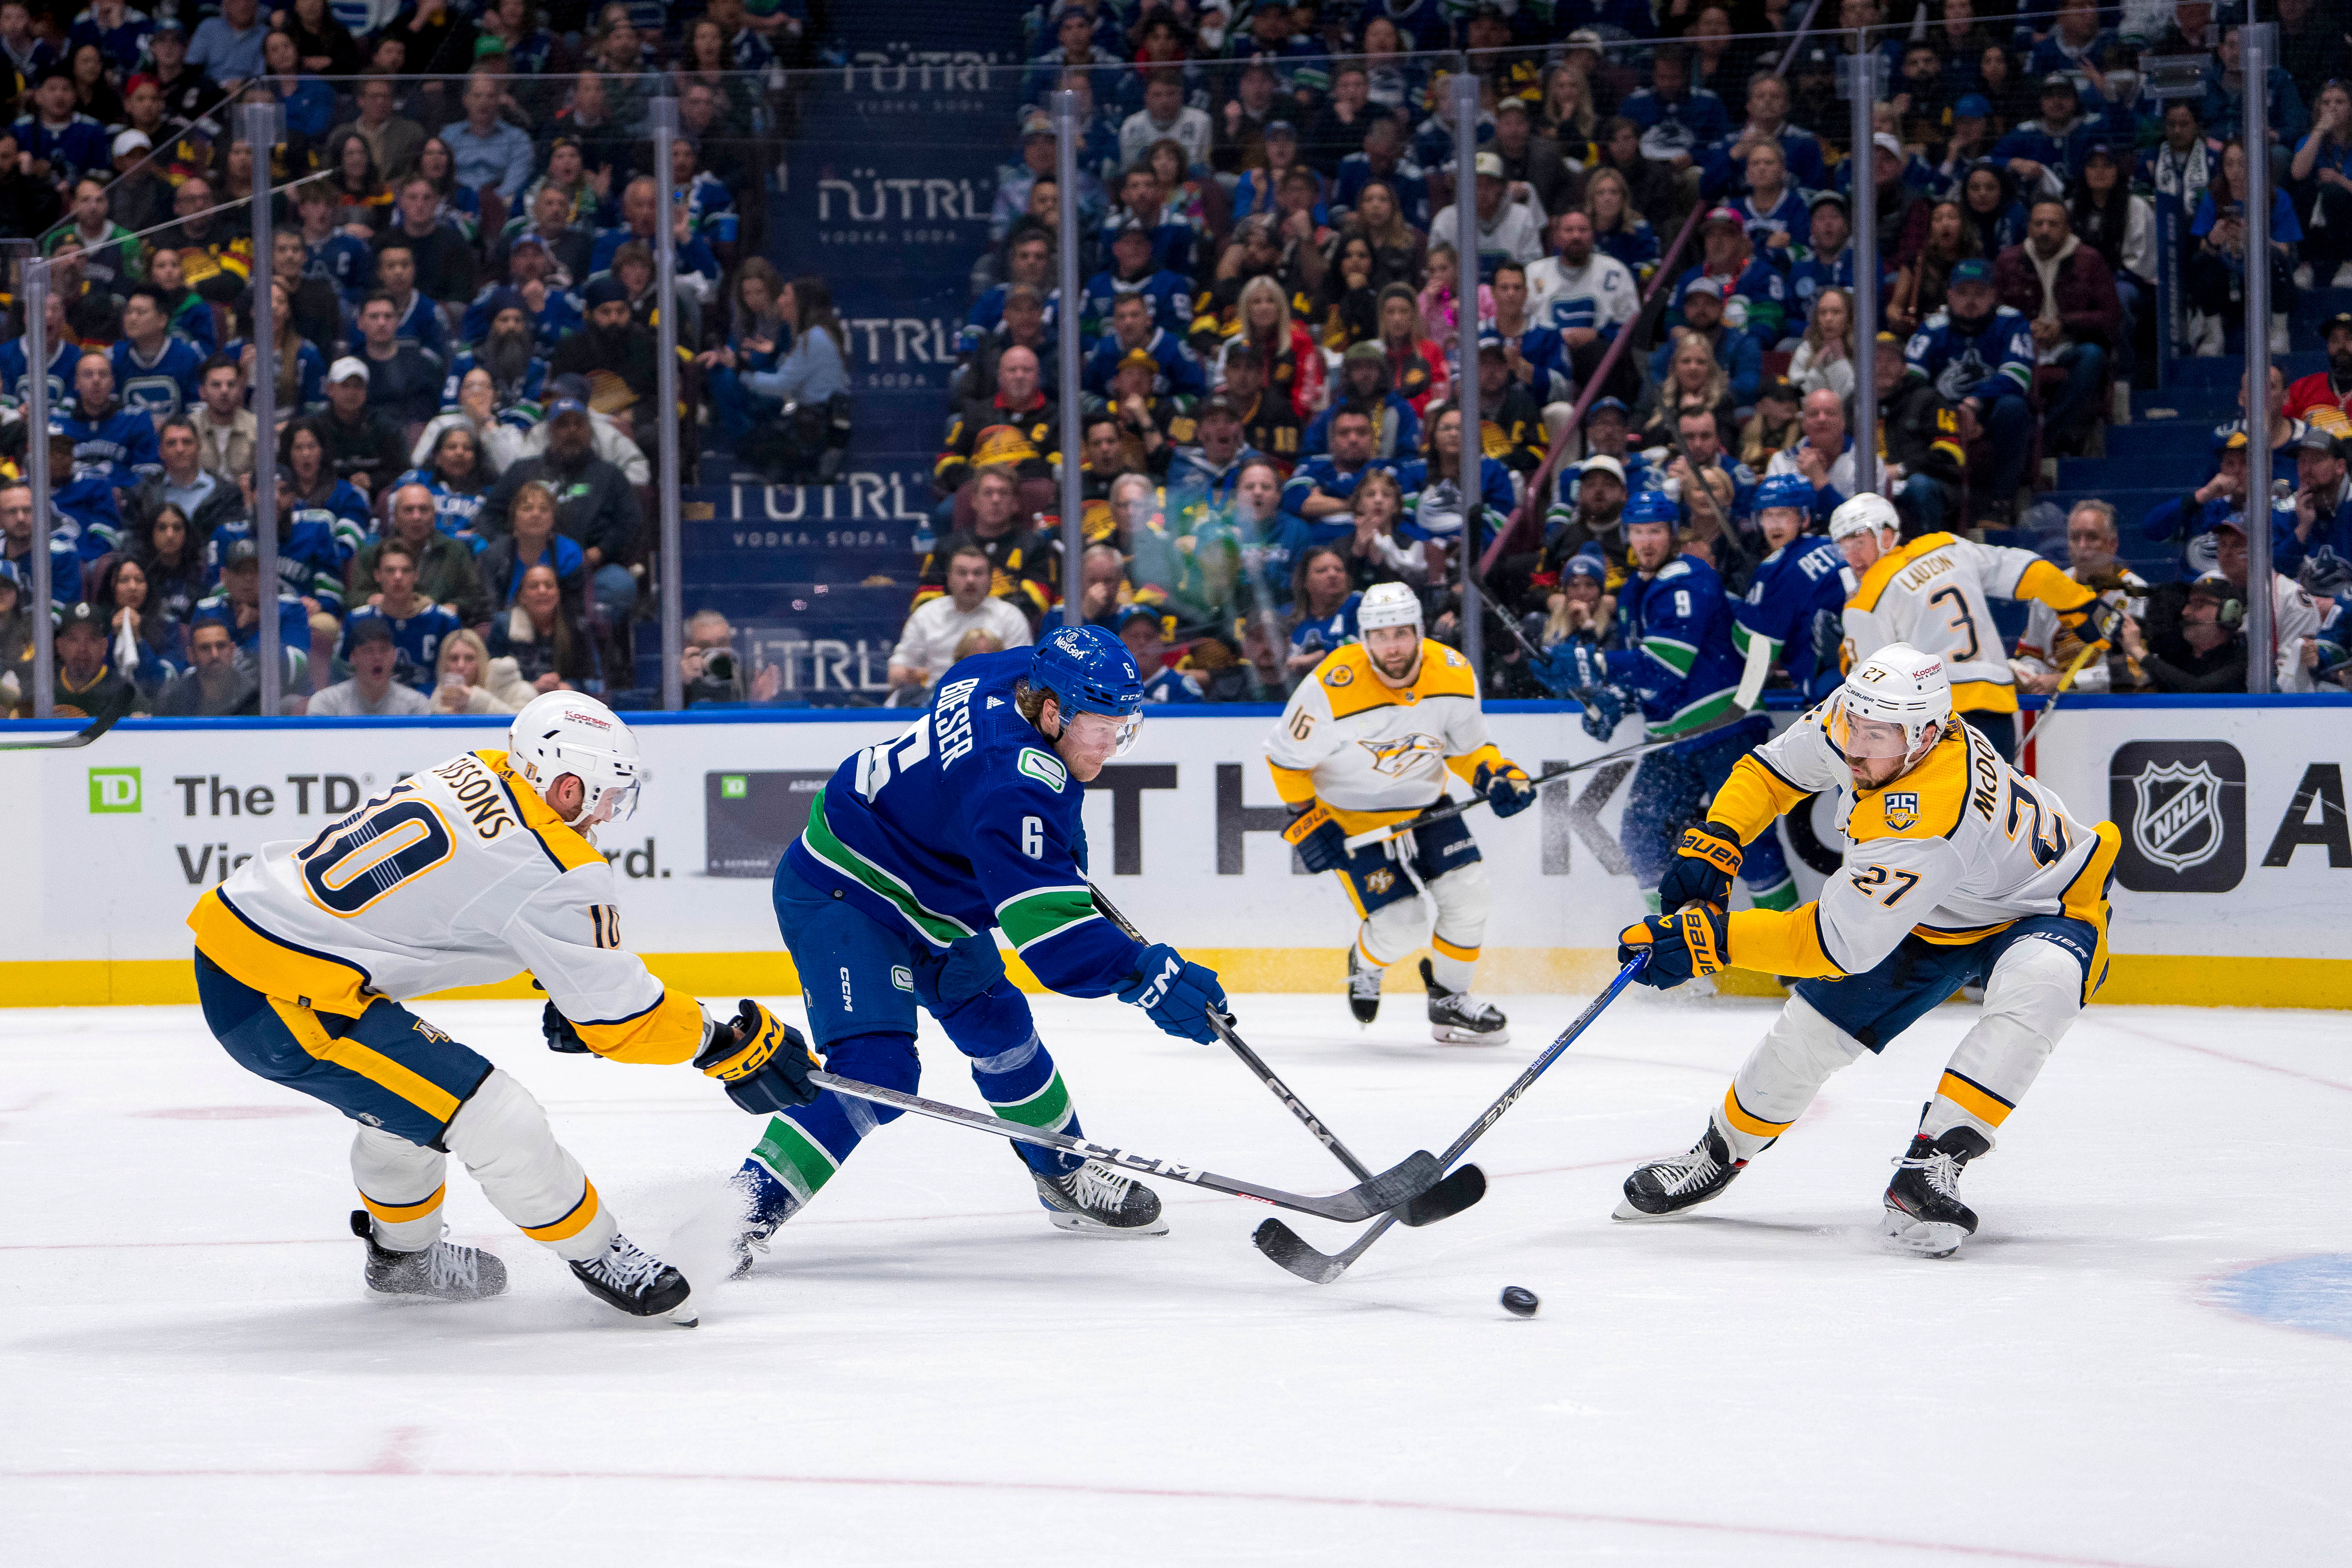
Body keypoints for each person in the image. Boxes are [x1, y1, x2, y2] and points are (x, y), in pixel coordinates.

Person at [189, 691, 815, 1319]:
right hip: (284, 1002)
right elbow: (622, 1022)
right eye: (605, 796)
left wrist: (558, 981)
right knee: (495, 1116)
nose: (605, 815)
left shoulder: (477, 766)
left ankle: (403, 1259)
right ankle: (602, 1254)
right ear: (568, 788)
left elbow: (466, 901)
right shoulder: (558, 864)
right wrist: (724, 1043)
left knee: (409, 1107)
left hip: (248, 945)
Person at [703, 626, 1229, 1270]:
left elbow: (988, 721)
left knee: (1001, 1024)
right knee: (876, 1072)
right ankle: (732, 1218)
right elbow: (1056, 946)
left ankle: (1063, 1173)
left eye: (1124, 721)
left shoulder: (1008, 679)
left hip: (930, 896)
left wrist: (1058, 834)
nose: (1113, 739)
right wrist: (1147, 974)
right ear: (1054, 712)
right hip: (847, 891)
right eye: (1102, 724)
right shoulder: (1015, 787)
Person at [1612, 644, 2121, 1258]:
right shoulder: (1864, 716)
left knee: (2042, 984)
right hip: (1939, 906)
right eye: (1854, 725)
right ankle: (1719, 1153)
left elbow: (1836, 942)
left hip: (2044, 905)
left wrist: (1710, 942)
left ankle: (1930, 1166)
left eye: (1877, 736)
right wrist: (1716, 841)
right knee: (1809, 1033)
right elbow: (1771, 772)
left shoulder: (1934, 810)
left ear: (1927, 736)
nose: (1856, 748)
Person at [1266, 581, 1528, 1040]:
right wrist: (1307, 819)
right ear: (1363, 638)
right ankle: (1365, 962)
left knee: (1470, 897)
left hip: (1427, 805)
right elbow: (1286, 760)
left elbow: (1469, 749)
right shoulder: (1330, 685)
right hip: (1352, 818)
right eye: (1381, 635)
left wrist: (1496, 774)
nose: (1392, 646)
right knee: (1402, 927)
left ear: (1420, 631)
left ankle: (1449, 1001)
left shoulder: (1453, 673)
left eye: (1402, 633)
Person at [1543, 490, 1796, 916]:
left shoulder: (1689, 579)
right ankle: (1673, 954)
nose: (1646, 541)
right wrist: (1617, 700)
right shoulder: (1632, 595)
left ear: (1672, 534)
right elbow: (1647, 678)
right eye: (1638, 531)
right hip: (1671, 740)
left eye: (1656, 531)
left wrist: (1592, 664)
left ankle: (1796, 962)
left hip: (1724, 728)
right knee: (1641, 837)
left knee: (1749, 843)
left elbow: (1666, 666)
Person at [1829, 492, 2115, 760]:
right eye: (1843, 546)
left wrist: (1845, 658)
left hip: (1933, 722)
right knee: (1992, 810)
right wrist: (2081, 605)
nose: (1852, 556)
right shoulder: (1946, 545)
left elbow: (1869, 686)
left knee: (1943, 814)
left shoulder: (1865, 601)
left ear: (1887, 536)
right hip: (1994, 707)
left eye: (1859, 541)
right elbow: (2031, 572)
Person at [481, 399, 641, 637]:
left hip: (591, 570)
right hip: (524, 565)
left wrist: (602, 551)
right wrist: (510, 547)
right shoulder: (523, 470)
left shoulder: (609, 475)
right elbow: (488, 516)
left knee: (620, 585)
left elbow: (631, 521)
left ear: (589, 431)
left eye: (579, 424)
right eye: (563, 425)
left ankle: (598, 661)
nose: (572, 431)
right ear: (550, 432)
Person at [1900, 258, 2035, 525]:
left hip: (1989, 412)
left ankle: (2001, 503)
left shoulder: (2012, 322)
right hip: (1941, 416)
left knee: (2014, 408)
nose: (1970, 301)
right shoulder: (1933, 327)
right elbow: (1913, 379)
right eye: (1962, 293)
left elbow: (2018, 375)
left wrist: (1975, 404)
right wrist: (1949, 414)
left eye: (1979, 293)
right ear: (1950, 295)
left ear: (1993, 296)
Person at [1735, 473, 1853, 704]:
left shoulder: (1777, 568)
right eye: (1768, 515)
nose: (1775, 524)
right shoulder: (1830, 544)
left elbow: (1757, 649)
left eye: (1784, 514)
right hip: (1868, 667)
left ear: (1805, 518)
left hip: (1833, 682)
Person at [2011, 500, 2147, 698]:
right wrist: (2030, 676)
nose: (2082, 546)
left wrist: (2062, 681)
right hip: (2054, 706)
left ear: (2113, 544)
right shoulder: (2051, 588)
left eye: (2092, 538)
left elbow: (2137, 669)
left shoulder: (2136, 594)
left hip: (2115, 706)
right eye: (2075, 538)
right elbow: (2031, 654)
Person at [886, 538, 1038, 696]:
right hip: (932, 699)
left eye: (978, 573)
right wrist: (910, 675)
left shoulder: (1010, 617)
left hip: (994, 699)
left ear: (990, 579)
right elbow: (896, 672)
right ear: (949, 578)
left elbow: (1026, 675)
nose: (970, 580)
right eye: (962, 573)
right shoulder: (926, 615)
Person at [40, 599, 147, 718]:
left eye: (92, 639)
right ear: (60, 646)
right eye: (73, 640)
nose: (82, 648)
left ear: (104, 646)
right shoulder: (43, 686)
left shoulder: (125, 693)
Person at [430, 626, 532, 713]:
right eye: (454, 659)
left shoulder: (519, 690)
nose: (461, 666)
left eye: (470, 658)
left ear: (482, 661)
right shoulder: (438, 698)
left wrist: (476, 701)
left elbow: (523, 728)